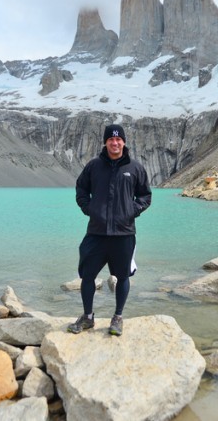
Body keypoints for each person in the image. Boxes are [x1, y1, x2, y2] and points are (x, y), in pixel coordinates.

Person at [68, 124, 152, 337]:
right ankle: (88, 317)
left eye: (118, 140)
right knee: (87, 276)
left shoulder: (135, 168)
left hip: (124, 233)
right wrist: (89, 209)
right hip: (96, 232)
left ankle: (118, 317)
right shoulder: (93, 166)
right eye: (110, 140)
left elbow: (145, 196)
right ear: (105, 142)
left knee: (123, 277)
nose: (115, 143)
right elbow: (81, 189)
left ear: (124, 142)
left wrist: (131, 210)